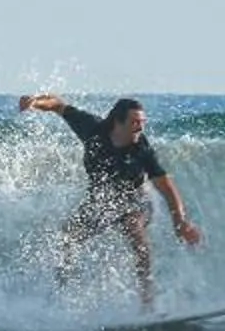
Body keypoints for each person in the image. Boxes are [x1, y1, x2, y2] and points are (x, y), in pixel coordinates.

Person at [17, 93, 201, 308]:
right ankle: (60, 293)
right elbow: (59, 106)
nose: (139, 128)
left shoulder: (142, 150)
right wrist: (36, 103)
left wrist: (180, 222)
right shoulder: (92, 129)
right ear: (117, 122)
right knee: (69, 235)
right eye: (134, 122)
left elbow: (166, 187)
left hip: (137, 198)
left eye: (142, 122)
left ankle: (148, 303)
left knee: (133, 228)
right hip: (101, 199)